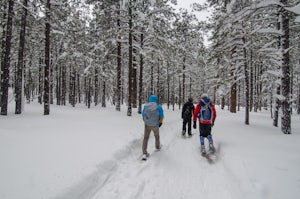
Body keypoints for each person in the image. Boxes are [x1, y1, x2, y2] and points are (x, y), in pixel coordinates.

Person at [142, 95, 164, 160]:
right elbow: (161, 115)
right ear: (156, 99)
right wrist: (160, 122)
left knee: (145, 138)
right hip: (155, 124)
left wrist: (146, 122)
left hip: (147, 125)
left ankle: (144, 153)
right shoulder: (159, 106)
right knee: (157, 136)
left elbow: (143, 115)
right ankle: (157, 147)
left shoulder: (146, 106)